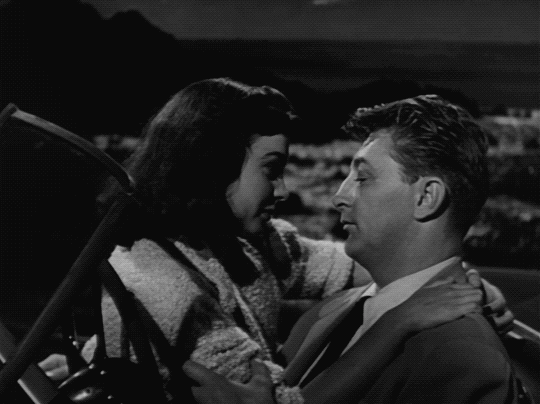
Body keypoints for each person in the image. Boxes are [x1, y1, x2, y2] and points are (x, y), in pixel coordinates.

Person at [40, 80, 510, 402]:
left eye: (363, 178)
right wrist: (398, 323)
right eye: (271, 169)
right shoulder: (164, 286)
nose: (284, 190)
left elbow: (340, 264)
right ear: (212, 166)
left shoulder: (246, 244)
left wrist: (467, 284)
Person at [182, 95, 519, 403]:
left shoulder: (461, 357)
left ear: (427, 197)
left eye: (362, 178)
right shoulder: (327, 314)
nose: (338, 197)